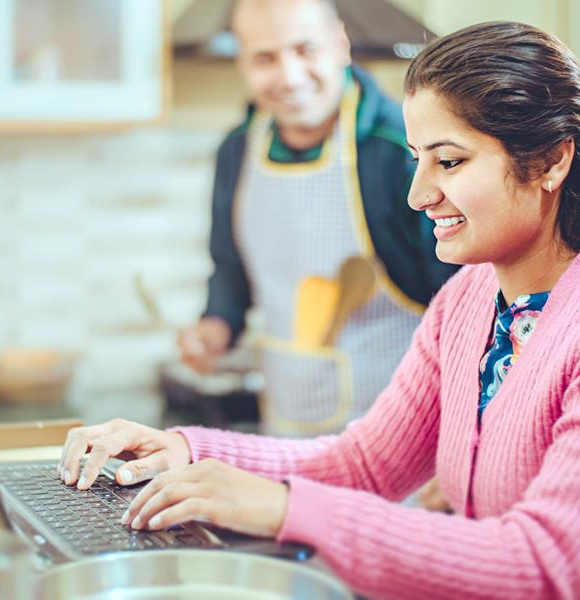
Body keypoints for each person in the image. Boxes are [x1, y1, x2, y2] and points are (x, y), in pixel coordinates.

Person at [59, 21, 580, 599]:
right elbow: (366, 463)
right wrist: (186, 449)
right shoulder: (467, 300)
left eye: (450, 162)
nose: (418, 194)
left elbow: (542, 564)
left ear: (553, 161)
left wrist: (285, 507)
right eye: (418, 160)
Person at [177, 0, 457, 436]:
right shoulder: (236, 151)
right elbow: (230, 271)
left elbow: (459, 296)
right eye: (265, 58)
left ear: (340, 45)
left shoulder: (399, 151)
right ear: (243, 63)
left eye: (305, 50)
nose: (289, 77)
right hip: (285, 425)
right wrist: (216, 326)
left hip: (403, 431)